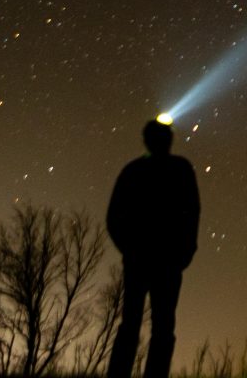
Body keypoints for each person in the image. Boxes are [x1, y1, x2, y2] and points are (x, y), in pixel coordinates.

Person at [106, 119, 200, 378]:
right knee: (157, 326)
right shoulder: (179, 170)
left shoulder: (134, 171)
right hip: (162, 260)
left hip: (151, 260)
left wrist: (129, 248)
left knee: (139, 325)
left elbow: (114, 217)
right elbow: (191, 212)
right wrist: (185, 250)